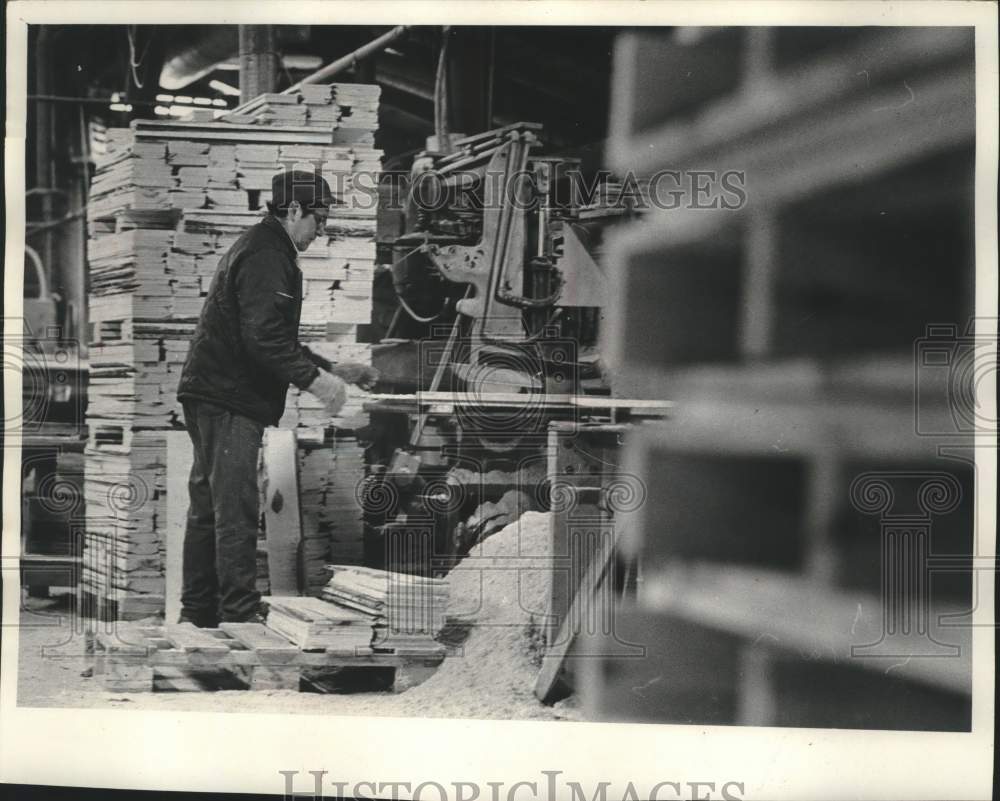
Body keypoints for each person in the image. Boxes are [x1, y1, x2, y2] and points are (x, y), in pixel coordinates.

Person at [176, 170, 378, 626]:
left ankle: (198, 615)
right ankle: (238, 619)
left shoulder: (267, 247)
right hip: (228, 397)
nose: (321, 230)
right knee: (236, 508)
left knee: (210, 507)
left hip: (213, 392)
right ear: (293, 211)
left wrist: (331, 368)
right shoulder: (268, 254)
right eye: (319, 219)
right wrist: (316, 382)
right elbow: (263, 340)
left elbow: (274, 335)